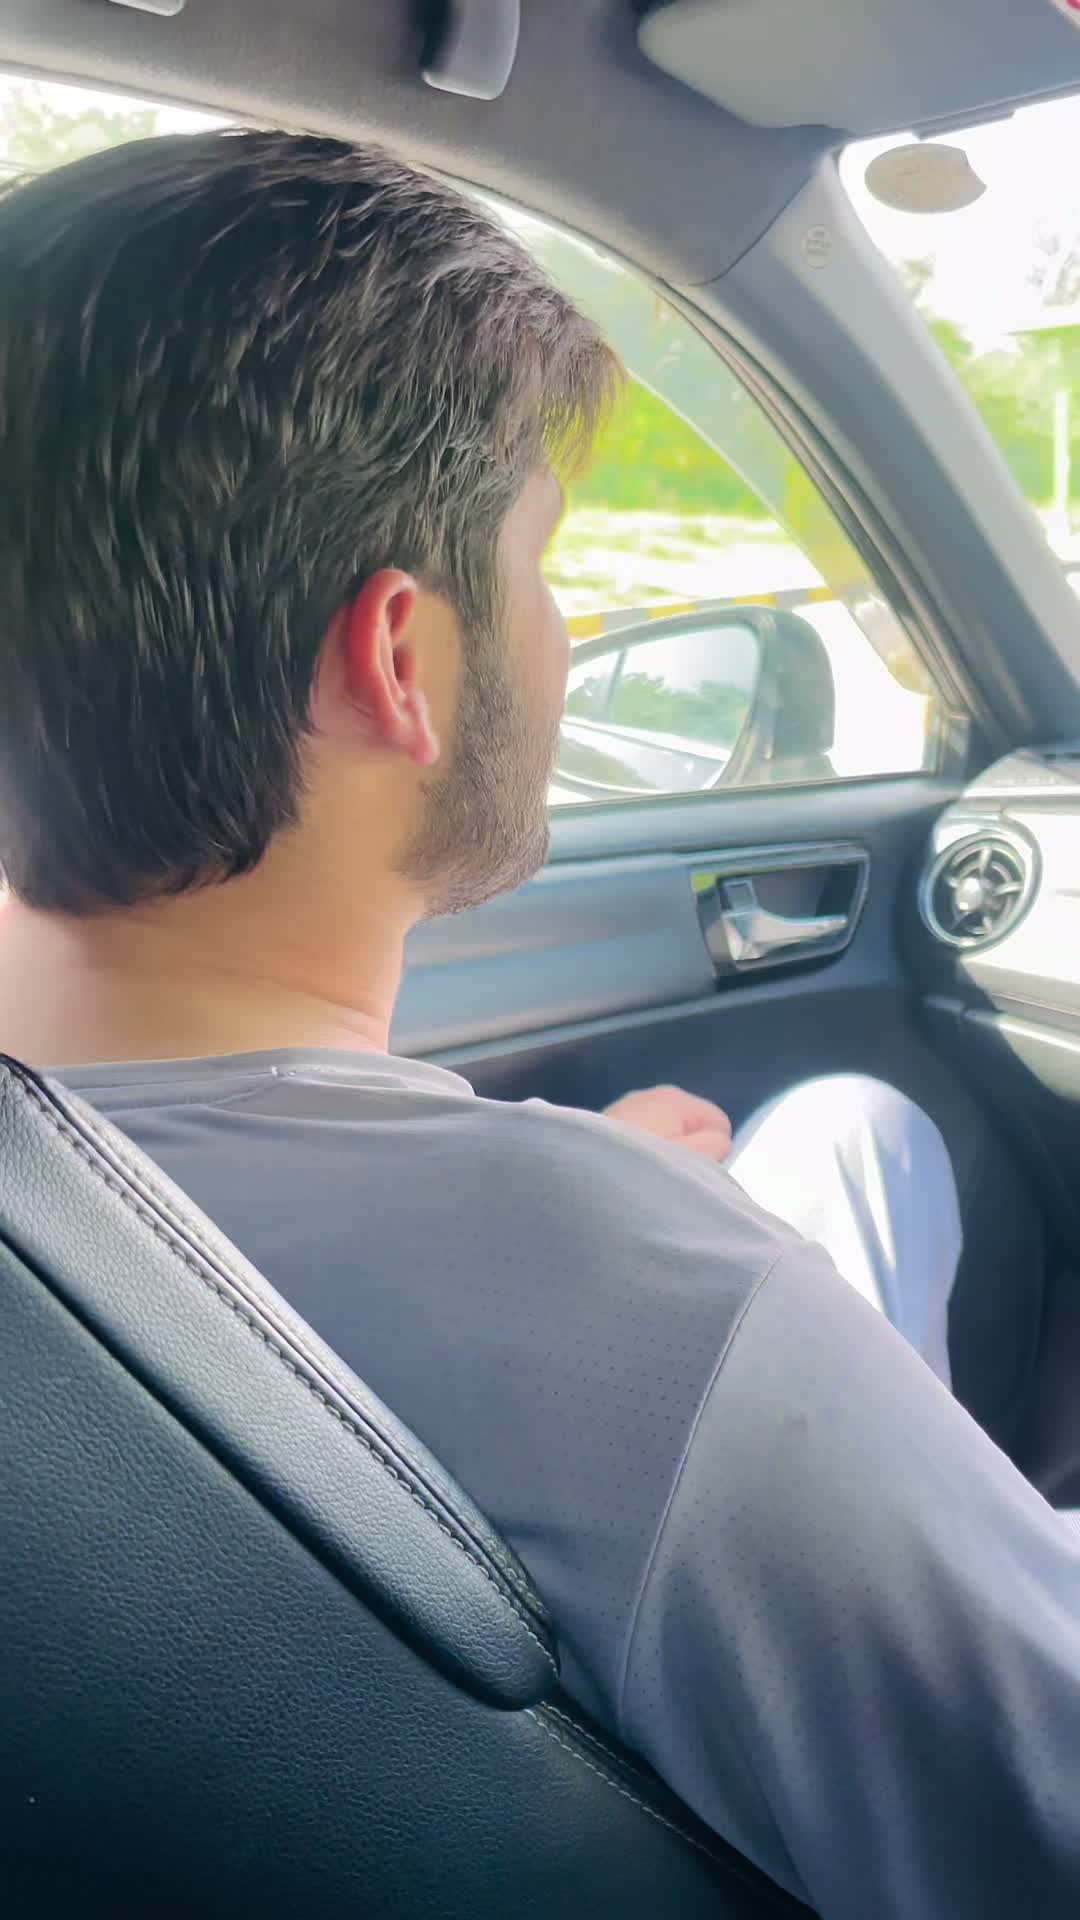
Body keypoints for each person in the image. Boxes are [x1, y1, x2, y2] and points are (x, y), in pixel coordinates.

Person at [0, 130, 1076, 1918]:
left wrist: (602, 1205)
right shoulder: (648, 1304)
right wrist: (630, 1248)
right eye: (543, 562)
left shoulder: (597, 1261)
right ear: (399, 658)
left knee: (849, 1136)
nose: (564, 634)